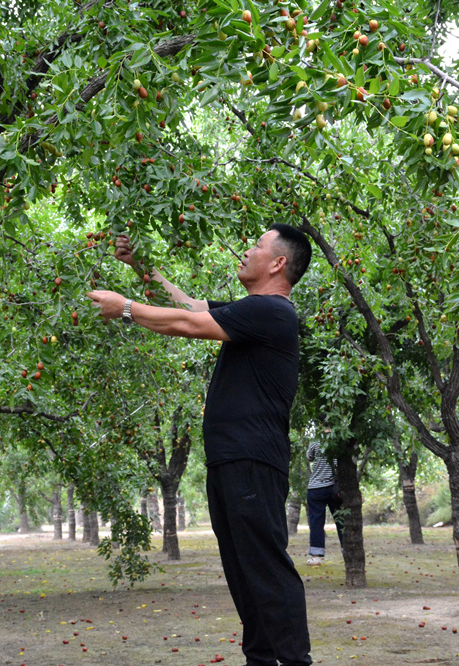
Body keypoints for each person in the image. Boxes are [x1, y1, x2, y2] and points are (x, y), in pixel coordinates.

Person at [87, 224, 313, 666]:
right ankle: (262, 660)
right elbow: (189, 305)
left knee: (265, 569)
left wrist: (126, 308)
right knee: (244, 573)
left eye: (257, 245)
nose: (246, 251)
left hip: (252, 461)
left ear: (278, 262)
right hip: (231, 461)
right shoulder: (252, 310)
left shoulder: (273, 313)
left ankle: (294, 661)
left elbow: (187, 324)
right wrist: (140, 266)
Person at [304, 440, 343, 566]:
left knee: (316, 522)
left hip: (316, 487)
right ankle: (347, 551)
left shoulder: (315, 442)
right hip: (335, 487)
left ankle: (316, 556)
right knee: (341, 520)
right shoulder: (340, 440)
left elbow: (309, 458)